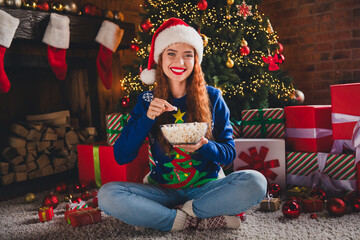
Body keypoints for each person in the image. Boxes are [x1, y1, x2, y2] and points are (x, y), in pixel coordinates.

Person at [98, 18, 267, 232]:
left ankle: (176, 215)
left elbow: (228, 155)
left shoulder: (213, 97)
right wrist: (147, 118)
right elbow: (122, 156)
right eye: (172, 54)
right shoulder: (146, 101)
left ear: (196, 60)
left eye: (188, 55)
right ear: (160, 58)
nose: (180, 62)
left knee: (256, 181)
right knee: (107, 195)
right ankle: (191, 219)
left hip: (207, 189)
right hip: (163, 192)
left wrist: (204, 144)